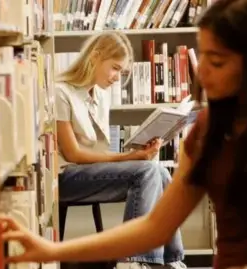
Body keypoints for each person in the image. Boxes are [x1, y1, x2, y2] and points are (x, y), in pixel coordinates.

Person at [0, 0, 247, 268]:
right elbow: (155, 226)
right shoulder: (207, 131)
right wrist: (52, 251)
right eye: (203, 59)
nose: (202, 75)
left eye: (216, 62)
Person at [52, 31, 186, 269]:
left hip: (93, 172)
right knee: (145, 172)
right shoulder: (60, 92)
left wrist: (138, 150)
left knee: (160, 173)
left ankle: (171, 260)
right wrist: (129, 157)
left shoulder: (101, 96)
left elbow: (102, 151)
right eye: (114, 68)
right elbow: (73, 154)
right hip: (66, 177)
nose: (116, 77)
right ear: (94, 56)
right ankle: (136, 260)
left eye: (121, 72)